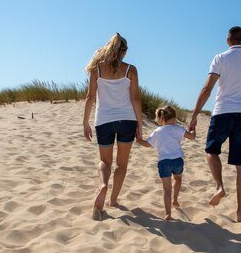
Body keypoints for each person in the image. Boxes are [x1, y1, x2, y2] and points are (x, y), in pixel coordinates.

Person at [189, 26, 241, 222]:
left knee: (211, 151)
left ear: (228, 41)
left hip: (222, 113)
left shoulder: (220, 58)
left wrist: (194, 115)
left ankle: (219, 187)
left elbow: (207, 89)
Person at [83, 33, 144, 221]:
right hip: (127, 120)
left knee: (105, 162)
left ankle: (103, 185)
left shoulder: (96, 70)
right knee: (122, 164)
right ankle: (113, 199)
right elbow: (135, 99)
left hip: (103, 121)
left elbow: (90, 98)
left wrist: (85, 122)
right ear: (122, 51)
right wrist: (139, 125)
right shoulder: (130, 70)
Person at [136, 105, 195, 221]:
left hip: (164, 162)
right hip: (177, 160)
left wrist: (139, 140)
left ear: (162, 118)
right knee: (178, 179)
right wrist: (193, 129)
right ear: (174, 118)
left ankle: (168, 213)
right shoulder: (178, 128)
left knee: (166, 190)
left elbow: (147, 144)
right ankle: (175, 199)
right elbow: (192, 137)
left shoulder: (157, 131)